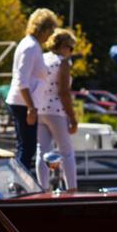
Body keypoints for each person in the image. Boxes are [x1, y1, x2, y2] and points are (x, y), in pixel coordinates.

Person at [6, 8, 58, 174]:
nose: (50, 36)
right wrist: (31, 108)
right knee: (27, 148)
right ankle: (19, 184)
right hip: (23, 103)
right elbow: (22, 80)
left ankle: (19, 182)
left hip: (25, 102)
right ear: (42, 28)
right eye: (50, 31)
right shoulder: (30, 47)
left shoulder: (32, 45)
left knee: (26, 147)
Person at [35, 28, 79, 191]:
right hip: (56, 110)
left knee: (42, 150)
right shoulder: (63, 62)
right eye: (71, 48)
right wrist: (73, 118)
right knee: (66, 151)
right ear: (64, 46)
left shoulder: (43, 59)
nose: (71, 52)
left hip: (39, 108)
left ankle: (43, 189)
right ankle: (72, 189)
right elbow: (64, 92)